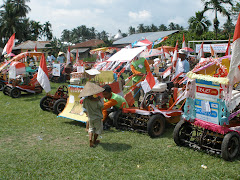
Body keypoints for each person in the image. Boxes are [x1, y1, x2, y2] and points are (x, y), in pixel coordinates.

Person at [80, 82, 104, 147]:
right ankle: (94, 140)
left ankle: (90, 139)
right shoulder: (96, 101)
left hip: (90, 117)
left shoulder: (85, 100)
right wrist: (99, 99)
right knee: (97, 130)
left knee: (91, 128)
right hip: (97, 117)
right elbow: (102, 106)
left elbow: (84, 106)